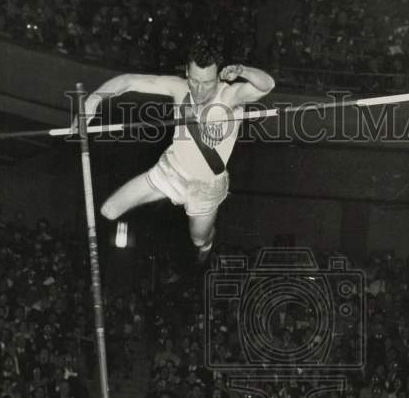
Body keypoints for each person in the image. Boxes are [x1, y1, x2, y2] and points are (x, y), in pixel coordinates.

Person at [83, 35, 275, 262]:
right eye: (194, 81)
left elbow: (267, 84)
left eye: (207, 83)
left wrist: (243, 70)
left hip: (206, 188)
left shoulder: (230, 95)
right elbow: (129, 81)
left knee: (198, 240)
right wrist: (92, 102)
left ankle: (207, 242)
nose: (199, 89)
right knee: (108, 210)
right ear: (187, 71)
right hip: (172, 170)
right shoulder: (179, 88)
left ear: (219, 76)